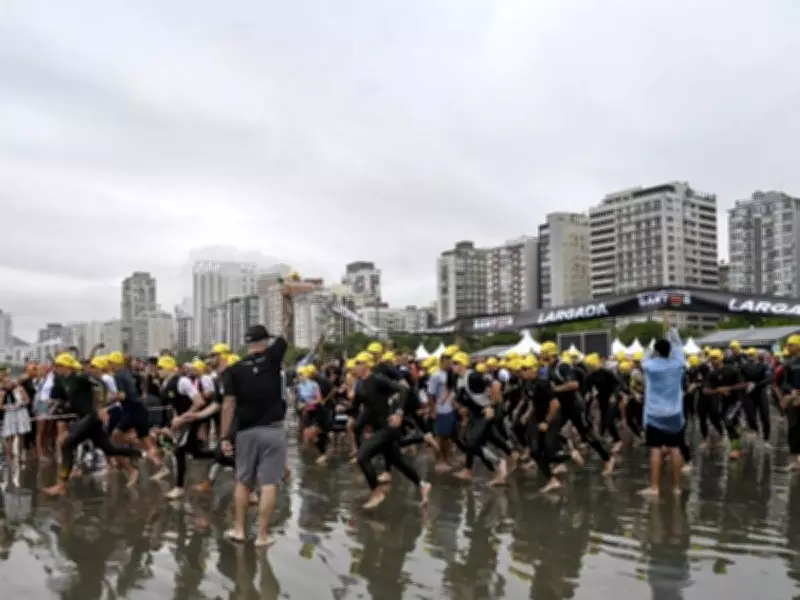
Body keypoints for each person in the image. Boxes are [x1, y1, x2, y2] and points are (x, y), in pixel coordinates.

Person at [220, 324, 288, 547]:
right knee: (269, 483)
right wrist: (286, 297)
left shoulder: (233, 370)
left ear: (247, 342)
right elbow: (286, 331)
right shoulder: (272, 359)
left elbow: (228, 404)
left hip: (245, 433)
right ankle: (262, 535)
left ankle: (239, 530)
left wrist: (224, 437)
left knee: (243, 481)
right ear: (265, 341)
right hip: (273, 430)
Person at [639, 314, 686, 498]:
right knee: (675, 448)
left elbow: (645, 356)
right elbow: (679, 346)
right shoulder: (678, 364)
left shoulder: (650, 365)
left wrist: (653, 349)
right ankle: (676, 488)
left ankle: (655, 488)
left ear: (657, 351)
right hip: (675, 413)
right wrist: (672, 329)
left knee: (656, 449)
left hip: (654, 414)